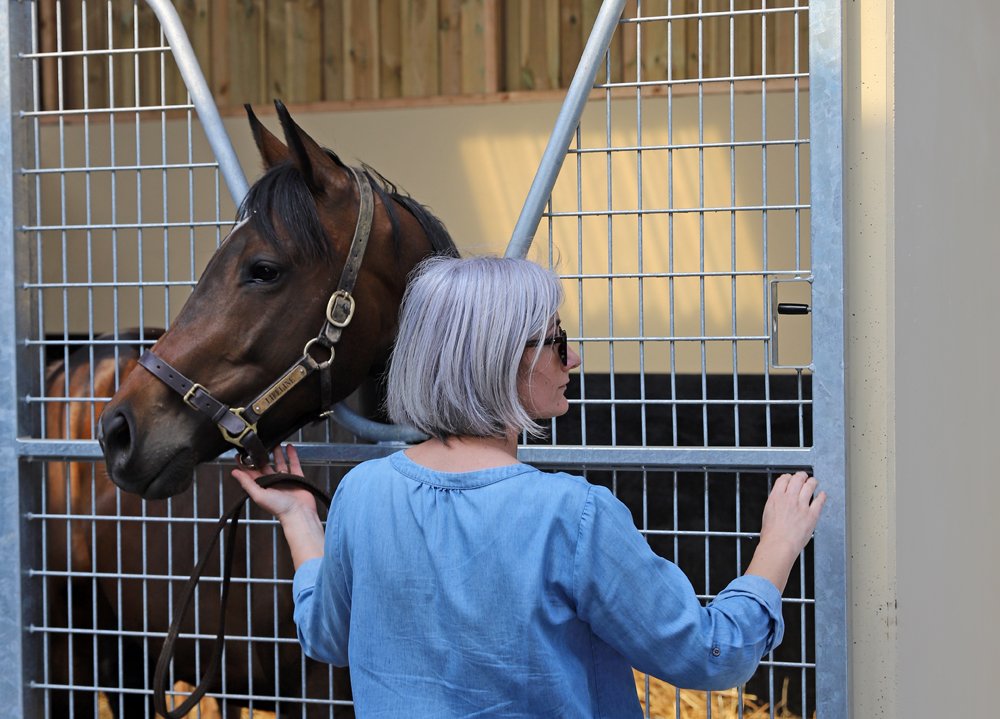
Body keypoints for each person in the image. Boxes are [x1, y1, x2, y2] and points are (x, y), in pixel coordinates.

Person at [232, 255, 826, 717]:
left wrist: (300, 519)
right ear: (501, 358)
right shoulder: (574, 515)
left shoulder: (362, 492)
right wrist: (778, 545)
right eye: (557, 340)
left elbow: (328, 636)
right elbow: (711, 656)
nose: (573, 359)